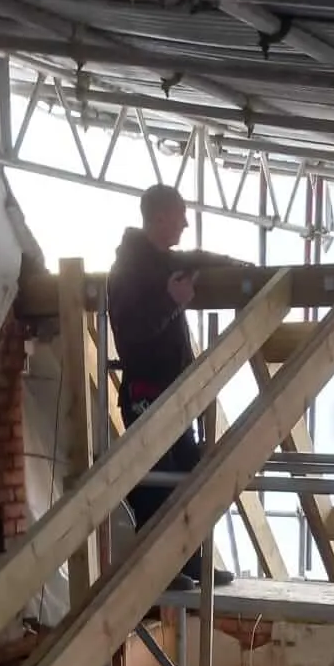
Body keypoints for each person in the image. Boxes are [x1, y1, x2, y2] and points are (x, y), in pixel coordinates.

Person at [107, 185, 251, 587]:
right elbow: (132, 336)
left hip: (170, 396)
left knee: (190, 474)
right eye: (180, 216)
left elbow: (197, 257)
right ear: (160, 218)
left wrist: (238, 267)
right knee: (157, 486)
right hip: (147, 396)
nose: (186, 223)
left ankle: (185, 561)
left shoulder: (156, 262)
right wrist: (171, 302)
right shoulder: (129, 273)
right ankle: (159, 570)